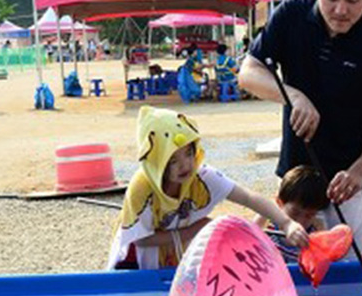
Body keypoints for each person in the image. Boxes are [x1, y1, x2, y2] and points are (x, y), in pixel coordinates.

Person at [240, 0, 362, 259]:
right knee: (287, 269)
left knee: (350, 274)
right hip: (295, 184)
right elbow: (249, 72)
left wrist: (360, 170)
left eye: (353, 0)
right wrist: (292, 95)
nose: (341, 10)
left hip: (349, 186)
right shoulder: (291, 15)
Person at [111, 107, 308, 270]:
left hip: (176, 255)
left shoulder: (201, 176)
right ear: (156, 162)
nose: (185, 165)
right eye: (172, 160)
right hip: (139, 261)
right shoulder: (142, 187)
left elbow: (249, 197)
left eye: (189, 153)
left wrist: (286, 223)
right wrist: (192, 230)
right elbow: (141, 240)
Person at [273, 165, 330, 262]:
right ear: (280, 202)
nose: (300, 221)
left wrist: (321, 230)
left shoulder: (315, 232)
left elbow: (326, 257)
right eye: (294, 213)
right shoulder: (270, 229)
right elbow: (252, 230)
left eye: (309, 215)